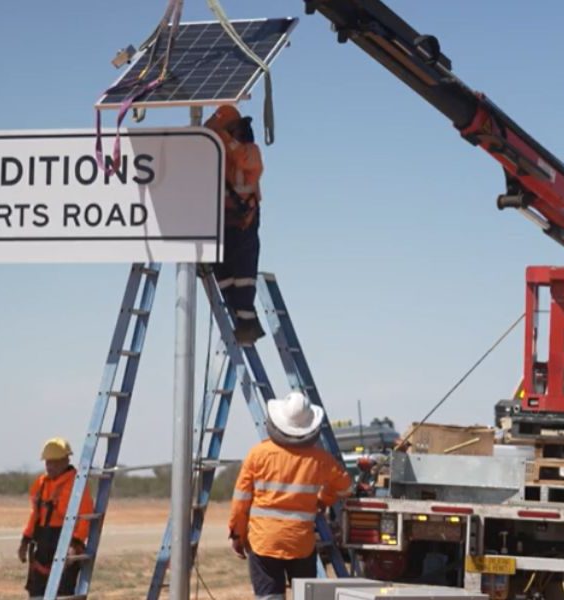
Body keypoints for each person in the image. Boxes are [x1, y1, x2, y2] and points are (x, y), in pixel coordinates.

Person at [228, 392, 353, 599]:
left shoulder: (258, 455)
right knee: (305, 595)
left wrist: (237, 536)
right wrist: (324, 500)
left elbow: (241, 502)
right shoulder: (320, 459)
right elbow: (345, 488)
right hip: (300, 544)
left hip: (263, 542)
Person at [204, 104, 266, 345]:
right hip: (221, 223)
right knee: (224, 273)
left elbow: (243, 159)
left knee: (244, 274)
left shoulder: (249, 152)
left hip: (244, 222)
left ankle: (248, 325)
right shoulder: (214, 153)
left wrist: (220, 136)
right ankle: (243, 323)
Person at [17, 437, 94, 598]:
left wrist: (75, 545)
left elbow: (85, 517)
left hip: (65, 545)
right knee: (37, 592)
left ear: (66, 460)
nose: (50, 466)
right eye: (47, 462)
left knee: (63, 593)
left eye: (55, 462)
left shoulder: (76, 483)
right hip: (43, 548)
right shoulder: (41, 483)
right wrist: (25, 540)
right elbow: (35, 514)